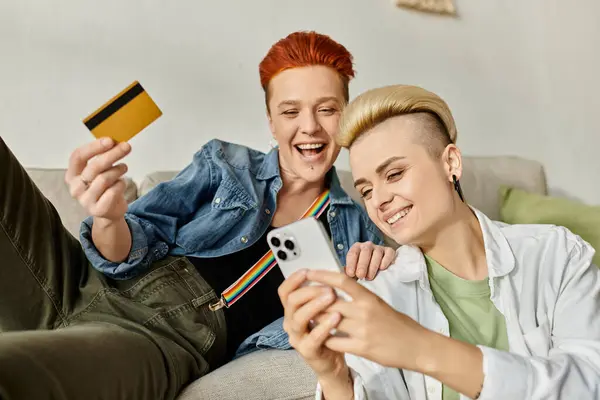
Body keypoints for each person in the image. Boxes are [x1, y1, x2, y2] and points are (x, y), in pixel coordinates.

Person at [0, 32, 396, 400]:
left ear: (346, 118)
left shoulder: (360, 232)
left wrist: (386, 271)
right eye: (290, 111)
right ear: (271, 123)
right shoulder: (225, 163)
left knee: (14, 368)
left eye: (327, 109)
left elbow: (384, 315)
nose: (309, 127)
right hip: (79, 278)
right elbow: (121, 250)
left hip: (156, 340)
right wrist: (108, 218)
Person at [279, 84, 600, 400]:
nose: (379, 200)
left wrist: (419, 347)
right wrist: (335, 380)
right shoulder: (379, 293)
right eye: (366, 190)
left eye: (393, 174)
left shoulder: (556, 255)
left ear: (451, 163)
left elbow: (589, 383)